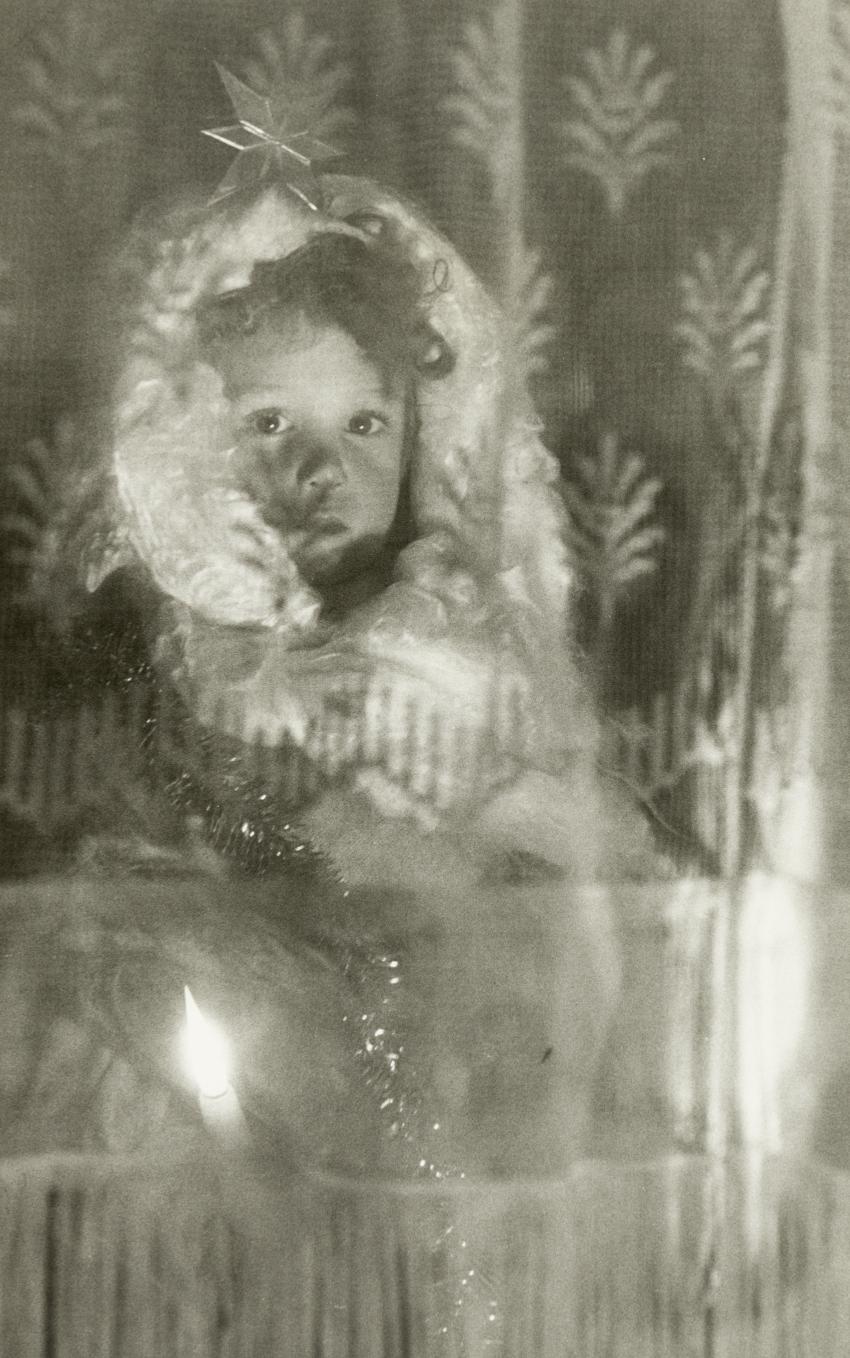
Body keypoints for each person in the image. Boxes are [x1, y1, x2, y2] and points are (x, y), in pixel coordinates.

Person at [13, 173, 662, 1178]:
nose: (319, 471)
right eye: (272, 423)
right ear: (199, 439)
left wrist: (477, 803)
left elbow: (580, 861)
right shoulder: (175, 654)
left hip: (448, 1065)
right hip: (234, 1091)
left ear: (421, 437)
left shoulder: (463, 646)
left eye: (364, 425)